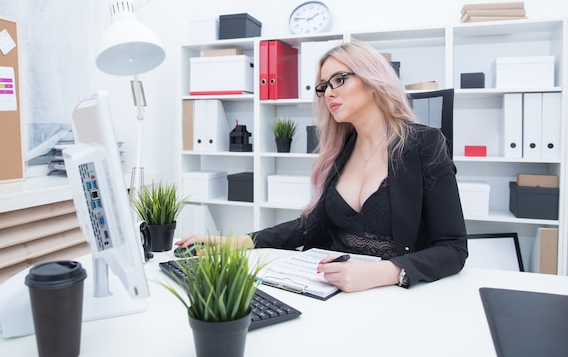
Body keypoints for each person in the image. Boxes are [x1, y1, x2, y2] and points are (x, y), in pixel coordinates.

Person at [177, 40, 468, 292]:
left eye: (340, 79)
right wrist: (235, 242)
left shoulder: (424, 144)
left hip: (389, 294)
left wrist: (380, 274)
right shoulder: (340, 152)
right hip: (328, 288)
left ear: (373, 80)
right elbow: (308, 227)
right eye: (323, 86)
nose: (329, 92)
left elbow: (453, 249)